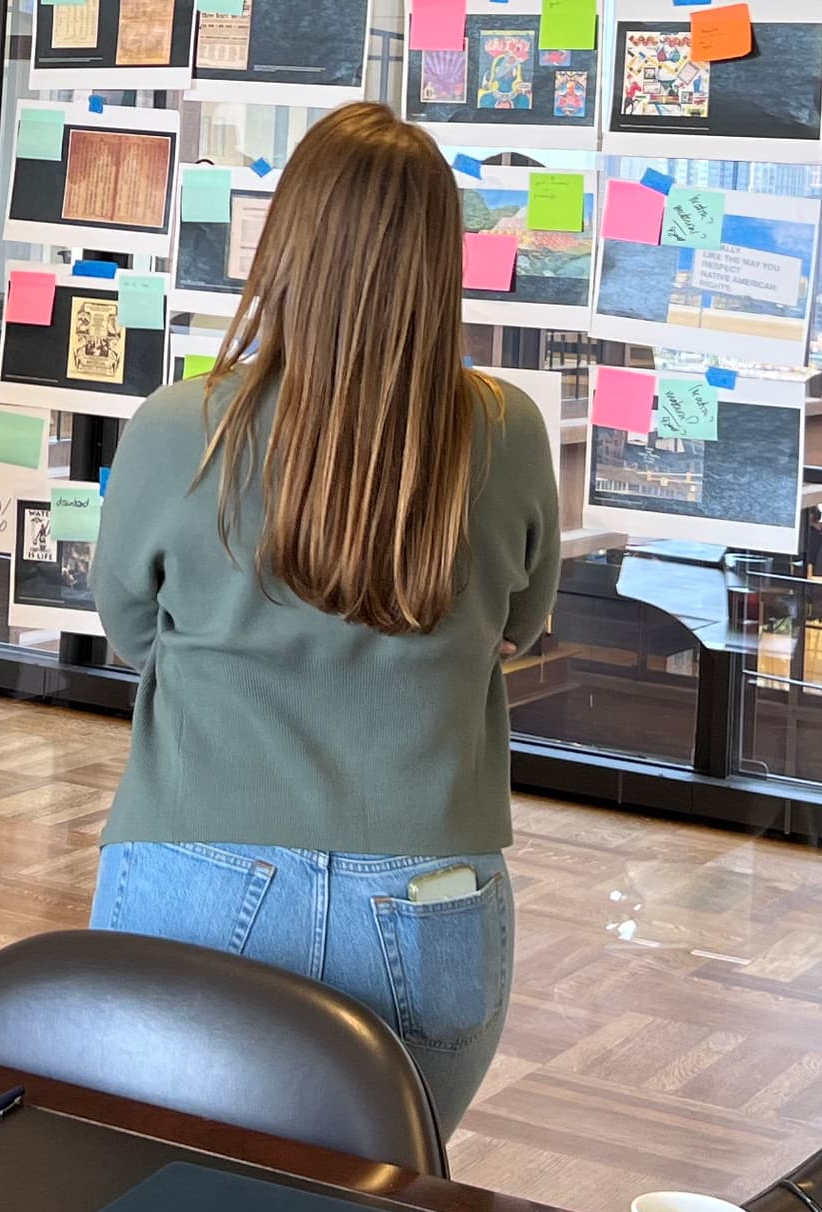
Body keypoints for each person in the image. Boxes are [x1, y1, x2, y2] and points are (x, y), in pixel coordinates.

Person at [86, 100, 560, 1138]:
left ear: (286, 240)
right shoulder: (506, 431)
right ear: (443, 259)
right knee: (385, 1207)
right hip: (427, 886)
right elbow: (520, 624)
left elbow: (128, 624)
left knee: (162, 1200)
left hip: (191, 866)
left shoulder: (181, 428)